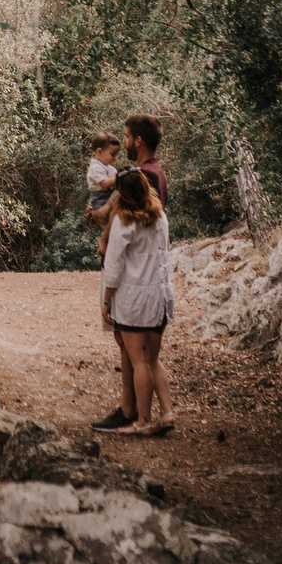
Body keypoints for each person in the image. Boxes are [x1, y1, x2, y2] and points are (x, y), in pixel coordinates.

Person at [92, 168, 175, 436]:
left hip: (135, 298)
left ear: (122, 194)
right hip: (161, 296)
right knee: (153, 359)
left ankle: (142, 420)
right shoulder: (160, 216)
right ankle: (167, 412)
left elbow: (114, 265)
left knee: (138, 360)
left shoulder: (124, 221)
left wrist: (106, 301)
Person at [125, 114, 169, 209]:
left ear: (138, 141)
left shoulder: (143, 173)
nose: (124, 141)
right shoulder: (157, 170)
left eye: (127, 137)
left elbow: (132, 216)